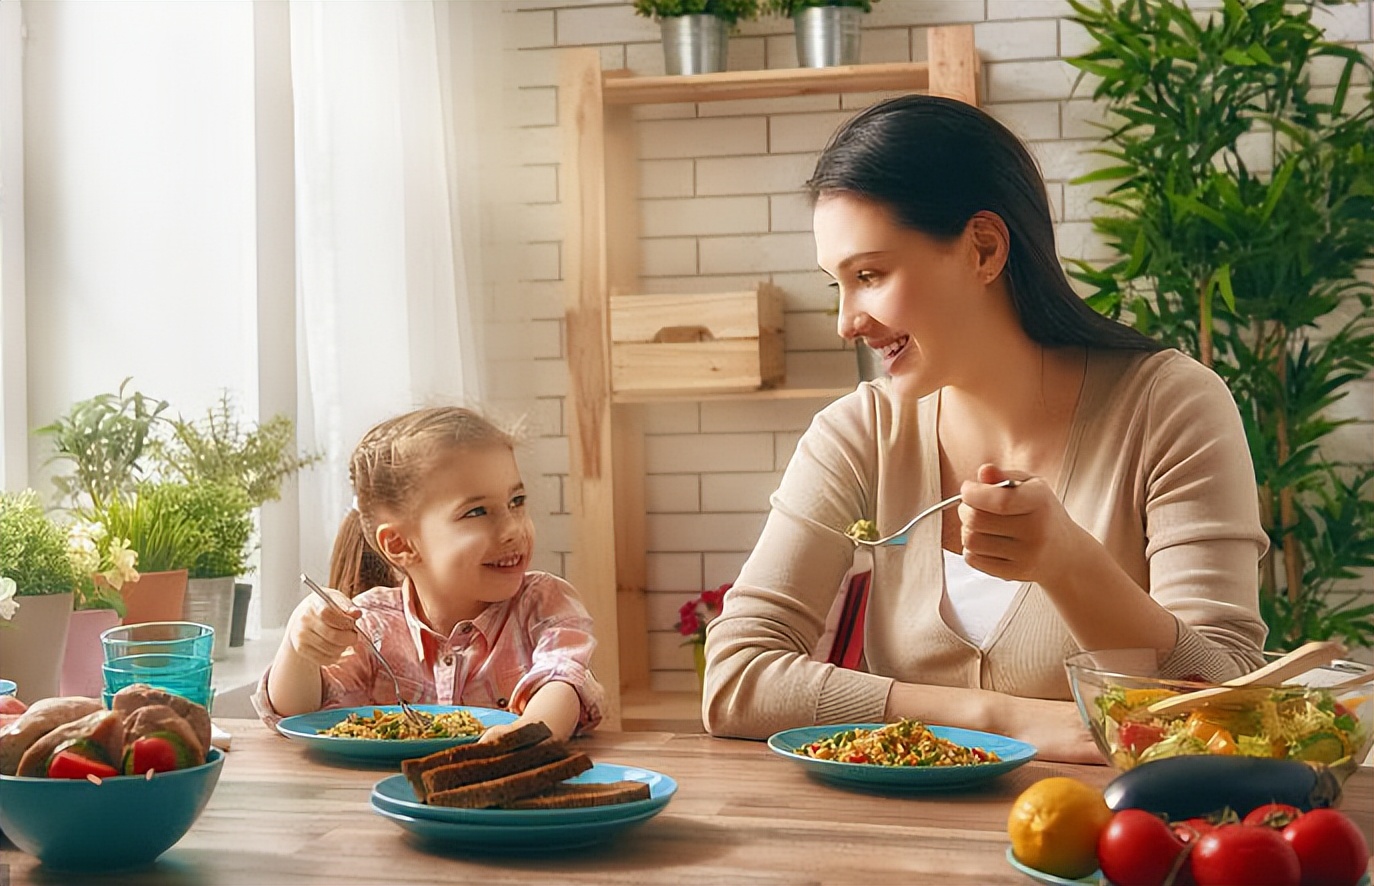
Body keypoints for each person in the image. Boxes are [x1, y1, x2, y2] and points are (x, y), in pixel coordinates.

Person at [701, 95, 1268, 763]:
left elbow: (1232, 702)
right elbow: (735, 679)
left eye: (870, 275)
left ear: (984, 249)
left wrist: (1069, 562)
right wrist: (1001, 719)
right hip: (891, 830)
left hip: (1107, 824)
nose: (847, 322)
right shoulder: (859, 433)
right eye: (838, 285)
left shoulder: (1168, 406)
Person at [254, 406, 604, 742]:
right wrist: (299, 645)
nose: (513, 528)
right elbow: (298, 714)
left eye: (517, 501)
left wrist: (525, 737)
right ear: (400, 544)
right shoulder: (372, 625)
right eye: (477, 512)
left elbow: (561, 682)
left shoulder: (544, 605)